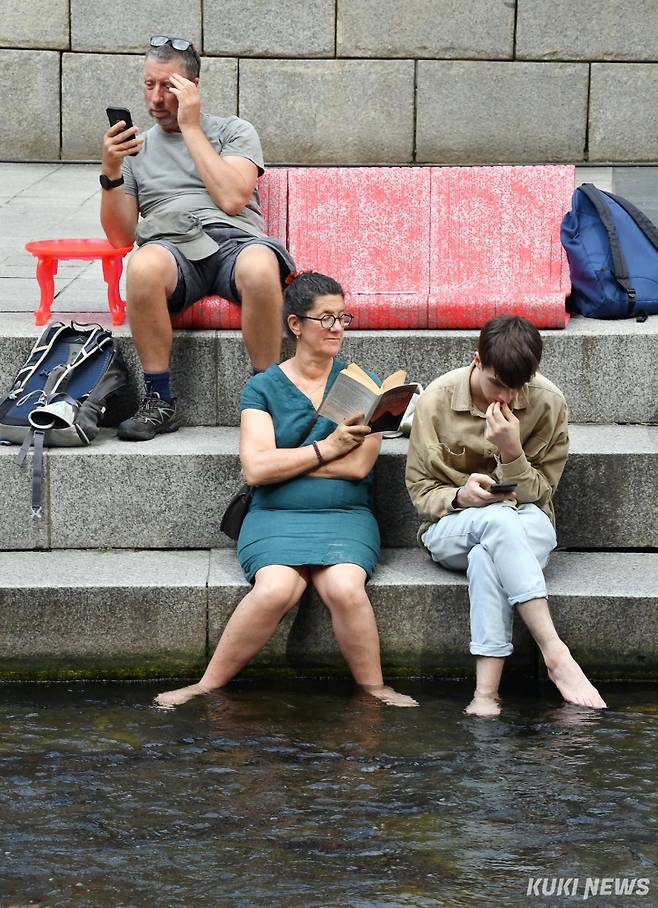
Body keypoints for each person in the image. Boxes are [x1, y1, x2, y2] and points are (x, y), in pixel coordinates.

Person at [156, 271, 417, 709]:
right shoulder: (262, 387)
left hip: (346, 517)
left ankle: (374, 690)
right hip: (273, 517)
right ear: (296, 325)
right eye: (326, 318)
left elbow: (357, 468)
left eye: (342, 317)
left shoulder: (367, 386)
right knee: (277, 588)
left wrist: (288, 465)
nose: (337, 328)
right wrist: (325, 448)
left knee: (345, 587)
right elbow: (256, 469)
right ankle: (207, 684)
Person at [405, 315, 606, 717]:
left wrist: (513, 454)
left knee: (488, 554)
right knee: (494, 522)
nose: (508, 397)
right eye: (498, 383)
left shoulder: (548, 402)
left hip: (528, 520)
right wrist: (461, 496)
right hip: (450, 527)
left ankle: (484, 695)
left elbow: (544, 491)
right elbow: (420, 492)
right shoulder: (437, 401)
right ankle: (554, 651)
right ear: (476, 360)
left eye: (518, 386)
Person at [100, 35, 295, 441]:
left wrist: (190, 127)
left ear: (193, 88)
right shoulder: (137, 150)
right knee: (142, 265)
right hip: (171, 245)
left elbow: (231, 197)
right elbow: (120, 236)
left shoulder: (234, 131)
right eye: (148, 84)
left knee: (261, 268)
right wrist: (111, 171)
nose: (155, 98)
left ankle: (267, 391)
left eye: (168, 86)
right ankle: (159, 400)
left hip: (234, 241)